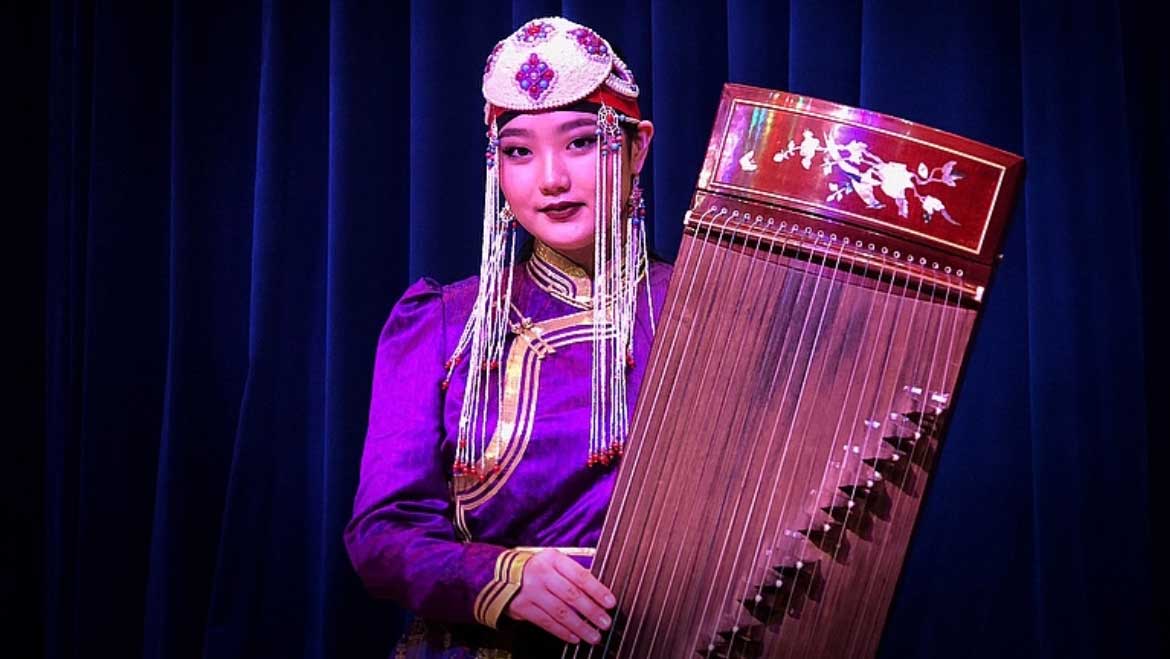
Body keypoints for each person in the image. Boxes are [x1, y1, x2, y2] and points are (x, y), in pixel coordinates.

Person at [344, 16, 671, 657]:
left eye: (581, 142)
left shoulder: (708, 307)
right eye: (519, 150)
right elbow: (383, 533)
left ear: (638, 149)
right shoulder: (440, 323)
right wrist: (503, 578)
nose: (549, 179)